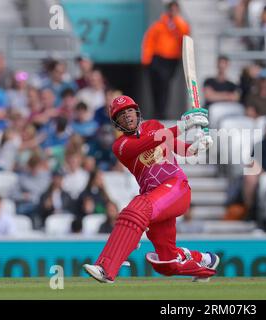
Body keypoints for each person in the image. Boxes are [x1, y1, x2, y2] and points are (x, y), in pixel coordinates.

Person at [83, 95, 219, 283]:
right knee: (167, 261)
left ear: (137, 112)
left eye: (130, 111)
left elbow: (180, 148)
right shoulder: (120, 146)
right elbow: (148, 142)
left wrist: (197, 145)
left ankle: (105, 267)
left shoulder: (154, 125)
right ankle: (205, 260)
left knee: (136, 209)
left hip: (176, 187)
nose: (127, 116)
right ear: (117, 123)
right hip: (155, 198)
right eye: (121, 115)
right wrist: (182, 126)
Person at [141, 1, 190, 119]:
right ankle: (157, 111)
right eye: (171, 10)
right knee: (156, 85)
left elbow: (185, 33)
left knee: (165, 85)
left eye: (175, 10)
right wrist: (146, 59)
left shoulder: (180, 24)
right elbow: (149, 41)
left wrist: (176, 20)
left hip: (171, 60)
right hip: (158, 59)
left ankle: (162, 111)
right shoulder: (159, 25)